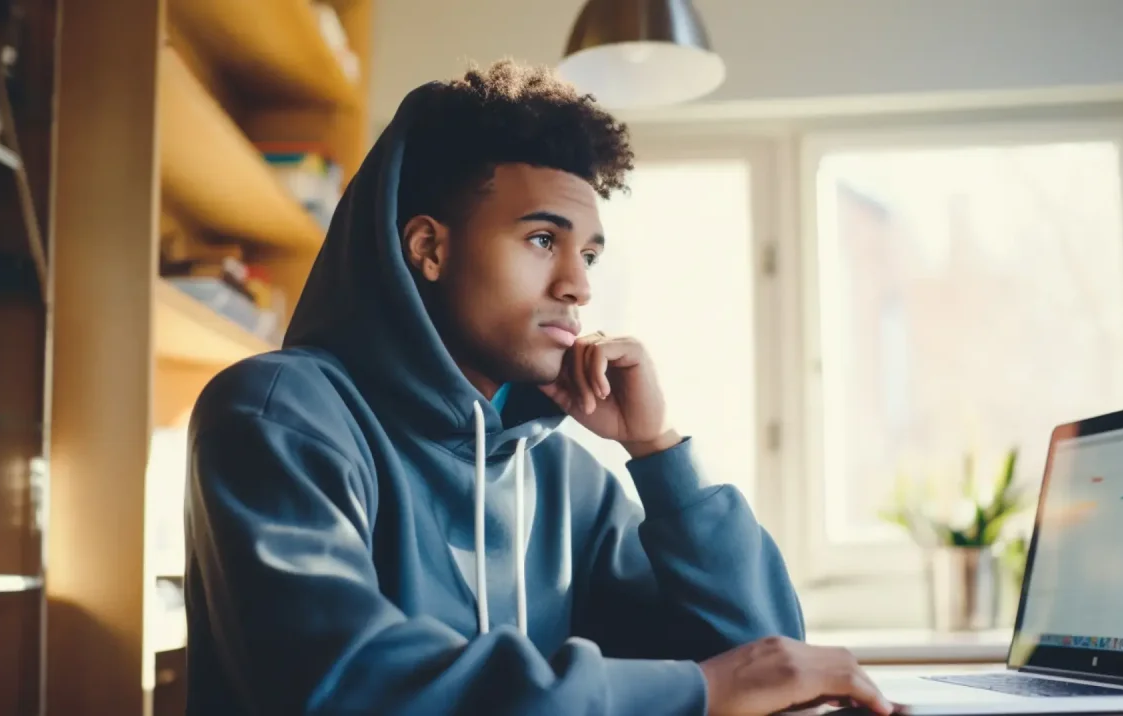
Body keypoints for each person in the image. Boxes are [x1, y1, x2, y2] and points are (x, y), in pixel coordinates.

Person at [184, 60, 894, 716]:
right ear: (429, 248)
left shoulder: (561, 476)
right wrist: (702, 688)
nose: (578, 285)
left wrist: (657, 452)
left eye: (587, 253)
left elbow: (768, 665)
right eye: (542, 240)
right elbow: (342, 681)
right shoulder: (277, 415)